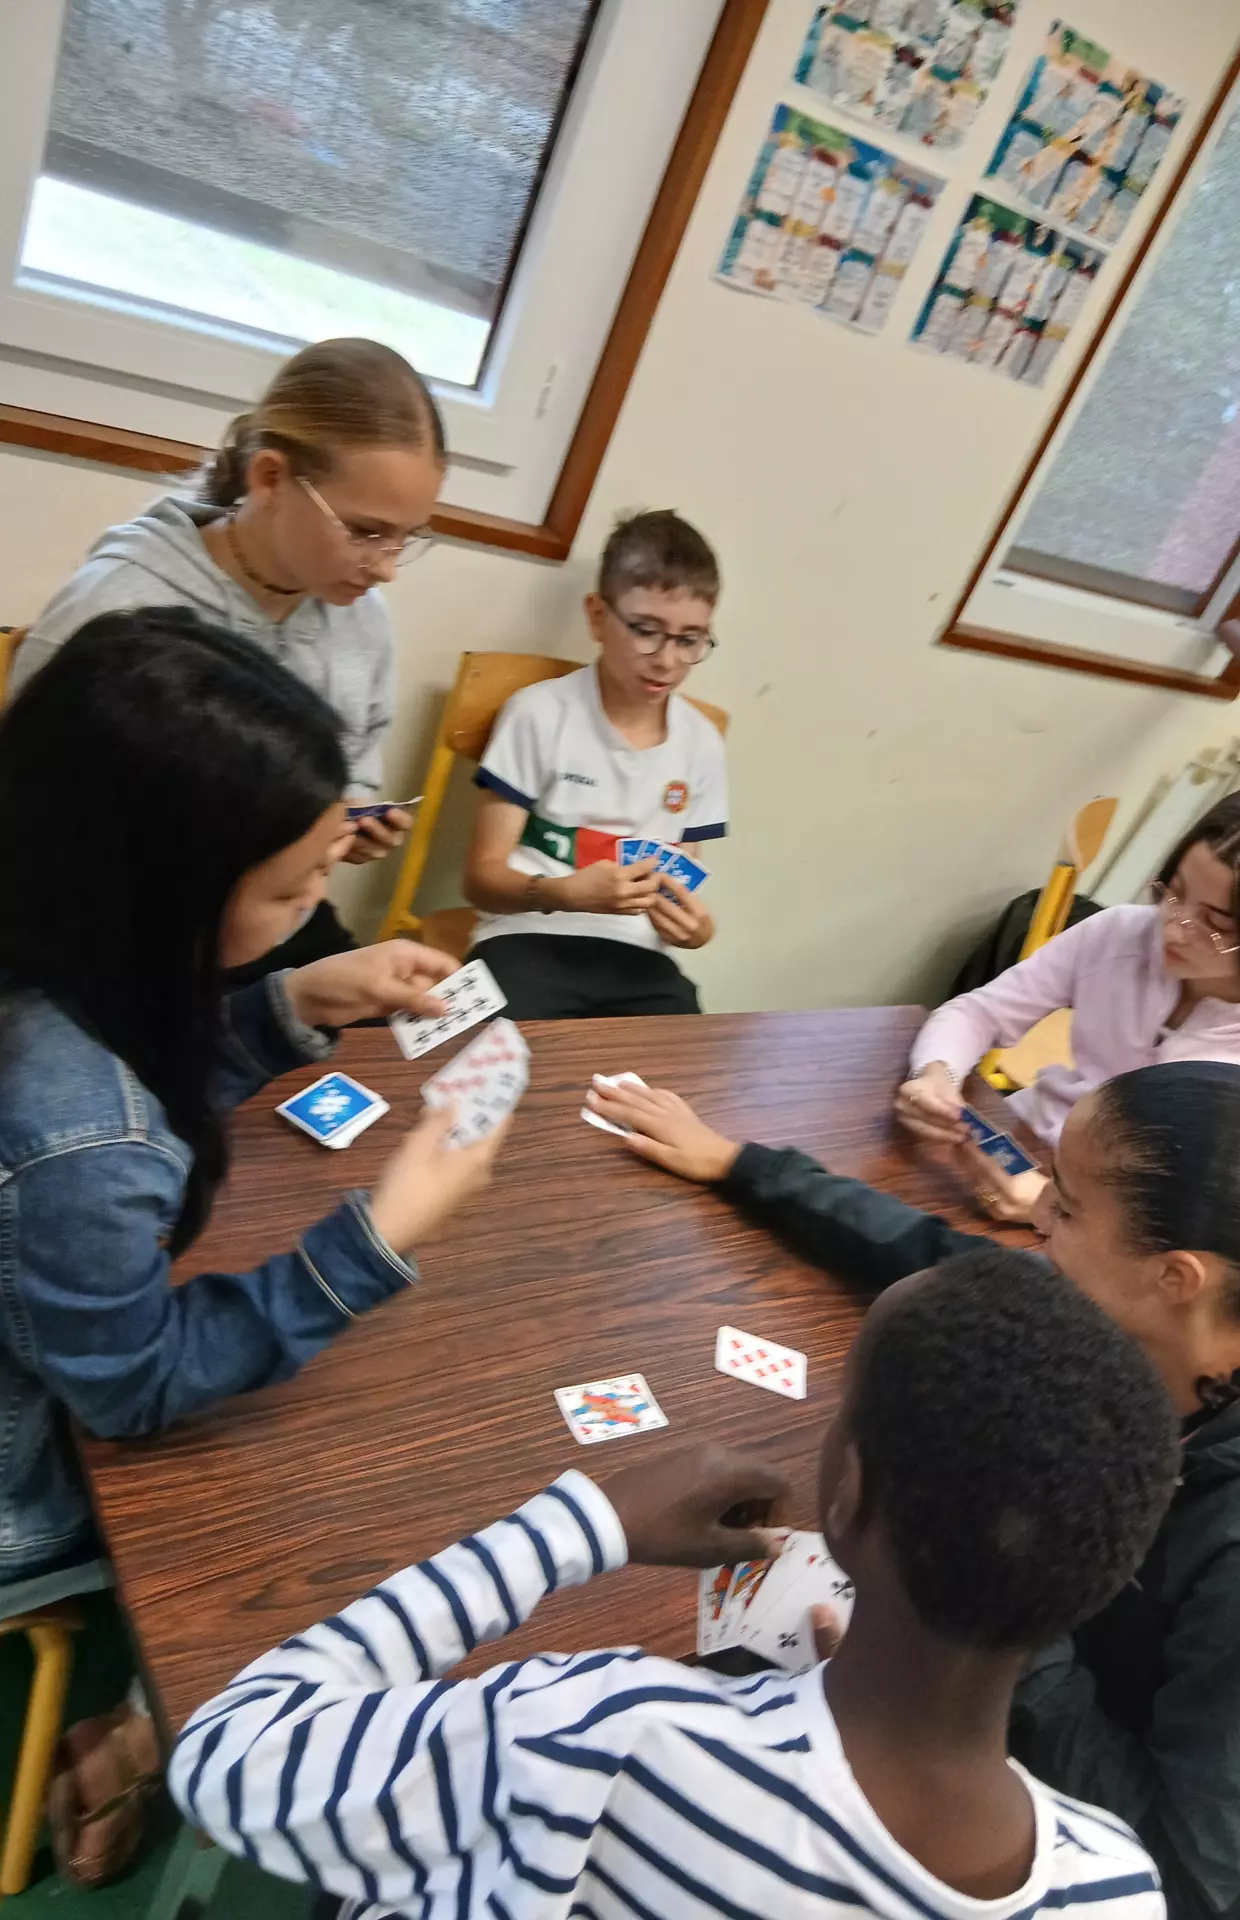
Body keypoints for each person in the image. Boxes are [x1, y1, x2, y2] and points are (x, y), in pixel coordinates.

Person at [585, 1063, 1240, 1920]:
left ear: (1177, 1275)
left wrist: (972, 1634)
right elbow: (952, 1270)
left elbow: (1178, 1882)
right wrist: (743, 1163)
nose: (1034, 1214)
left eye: (1064, 1206)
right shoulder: (1217, 1317)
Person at [171, 1245, 1177, 1919]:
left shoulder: (610, 1731)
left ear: (847, 1491)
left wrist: (584, 1524)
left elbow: (229, 1753)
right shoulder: (1119, 1890)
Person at [0, 610, 510, 1881]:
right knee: (348, 1506)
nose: (318, 905)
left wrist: (287, 1003)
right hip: (24, 1479)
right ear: (155, 894)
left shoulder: (48, 940)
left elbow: (117, 1083)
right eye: (288, 891)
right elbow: (131, 1390)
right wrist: (376, 1235)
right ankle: (147, 1743)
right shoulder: (80, 1134)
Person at [11, 336, 447, 978]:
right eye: (365, 531)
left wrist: (345, 827)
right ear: (270, 477)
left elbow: (350, 771)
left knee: (404, 1032)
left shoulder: (360, 618)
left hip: (275, 922)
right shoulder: (120, 612)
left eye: (408, 538)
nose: (386, 569)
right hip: (120, 940)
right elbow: (37, 827)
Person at [896, 781, 1240, 1222]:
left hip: (1102, 1241)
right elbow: (979, 1011)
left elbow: (1213, 1225)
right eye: (1174, 894)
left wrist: (1057, 1210)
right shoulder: (1121, 933)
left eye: (1215, 923)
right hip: (1021, 1145)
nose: (1173, 928)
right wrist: (936, 1073)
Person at [462, 509, 727, 1018]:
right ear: (598, 617)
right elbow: (479, 880)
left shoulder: (702, 744)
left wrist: (698, 931)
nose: (667, 660)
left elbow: (681, 882)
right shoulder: (539, 714)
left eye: (690, 639)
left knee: (672, 1076)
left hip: (636, 959)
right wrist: (564, 892)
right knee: (504, 1065)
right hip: (525, 937)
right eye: (647, 630)